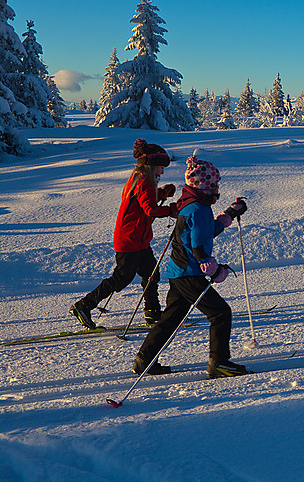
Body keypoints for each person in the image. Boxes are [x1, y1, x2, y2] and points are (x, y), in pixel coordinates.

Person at [133, 152, 249, 378]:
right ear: (204, 186)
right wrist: (213, 269)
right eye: (214, 185)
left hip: (179, 272)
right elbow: (198, 246)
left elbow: (205, 233)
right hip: (189, 273)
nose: (217, 188)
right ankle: (219, 363)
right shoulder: (199, 209)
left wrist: (229, 215)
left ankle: (144, 360)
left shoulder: (192, 204)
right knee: (220, 313)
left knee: (171, 319)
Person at [70, 139, 177, 330]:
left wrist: (161, 193)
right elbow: (150, 209)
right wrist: (171, 210)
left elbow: (144, 202)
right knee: (122, 277)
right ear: (151, 166)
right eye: (161, 167)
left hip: (139, 239)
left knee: (151, 273)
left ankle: (152, 312)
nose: (162, 171)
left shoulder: (141, 178)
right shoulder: (143, 181)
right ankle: (83, 306)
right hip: (130, 239)